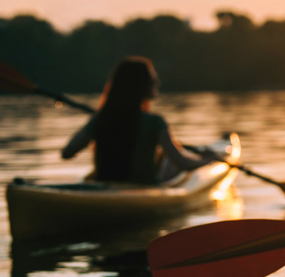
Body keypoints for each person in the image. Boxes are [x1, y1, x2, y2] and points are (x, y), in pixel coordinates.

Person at [62, 56, 217, 184]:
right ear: (141, 85)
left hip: (104, 187)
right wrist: (208, 160)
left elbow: (67, 152)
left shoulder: (101, 119)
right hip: (142, 189)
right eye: (151, 79)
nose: (156, 82)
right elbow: (182, 163)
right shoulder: (155, 122)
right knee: (169, 161)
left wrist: (96, 121)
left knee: (165, 159)